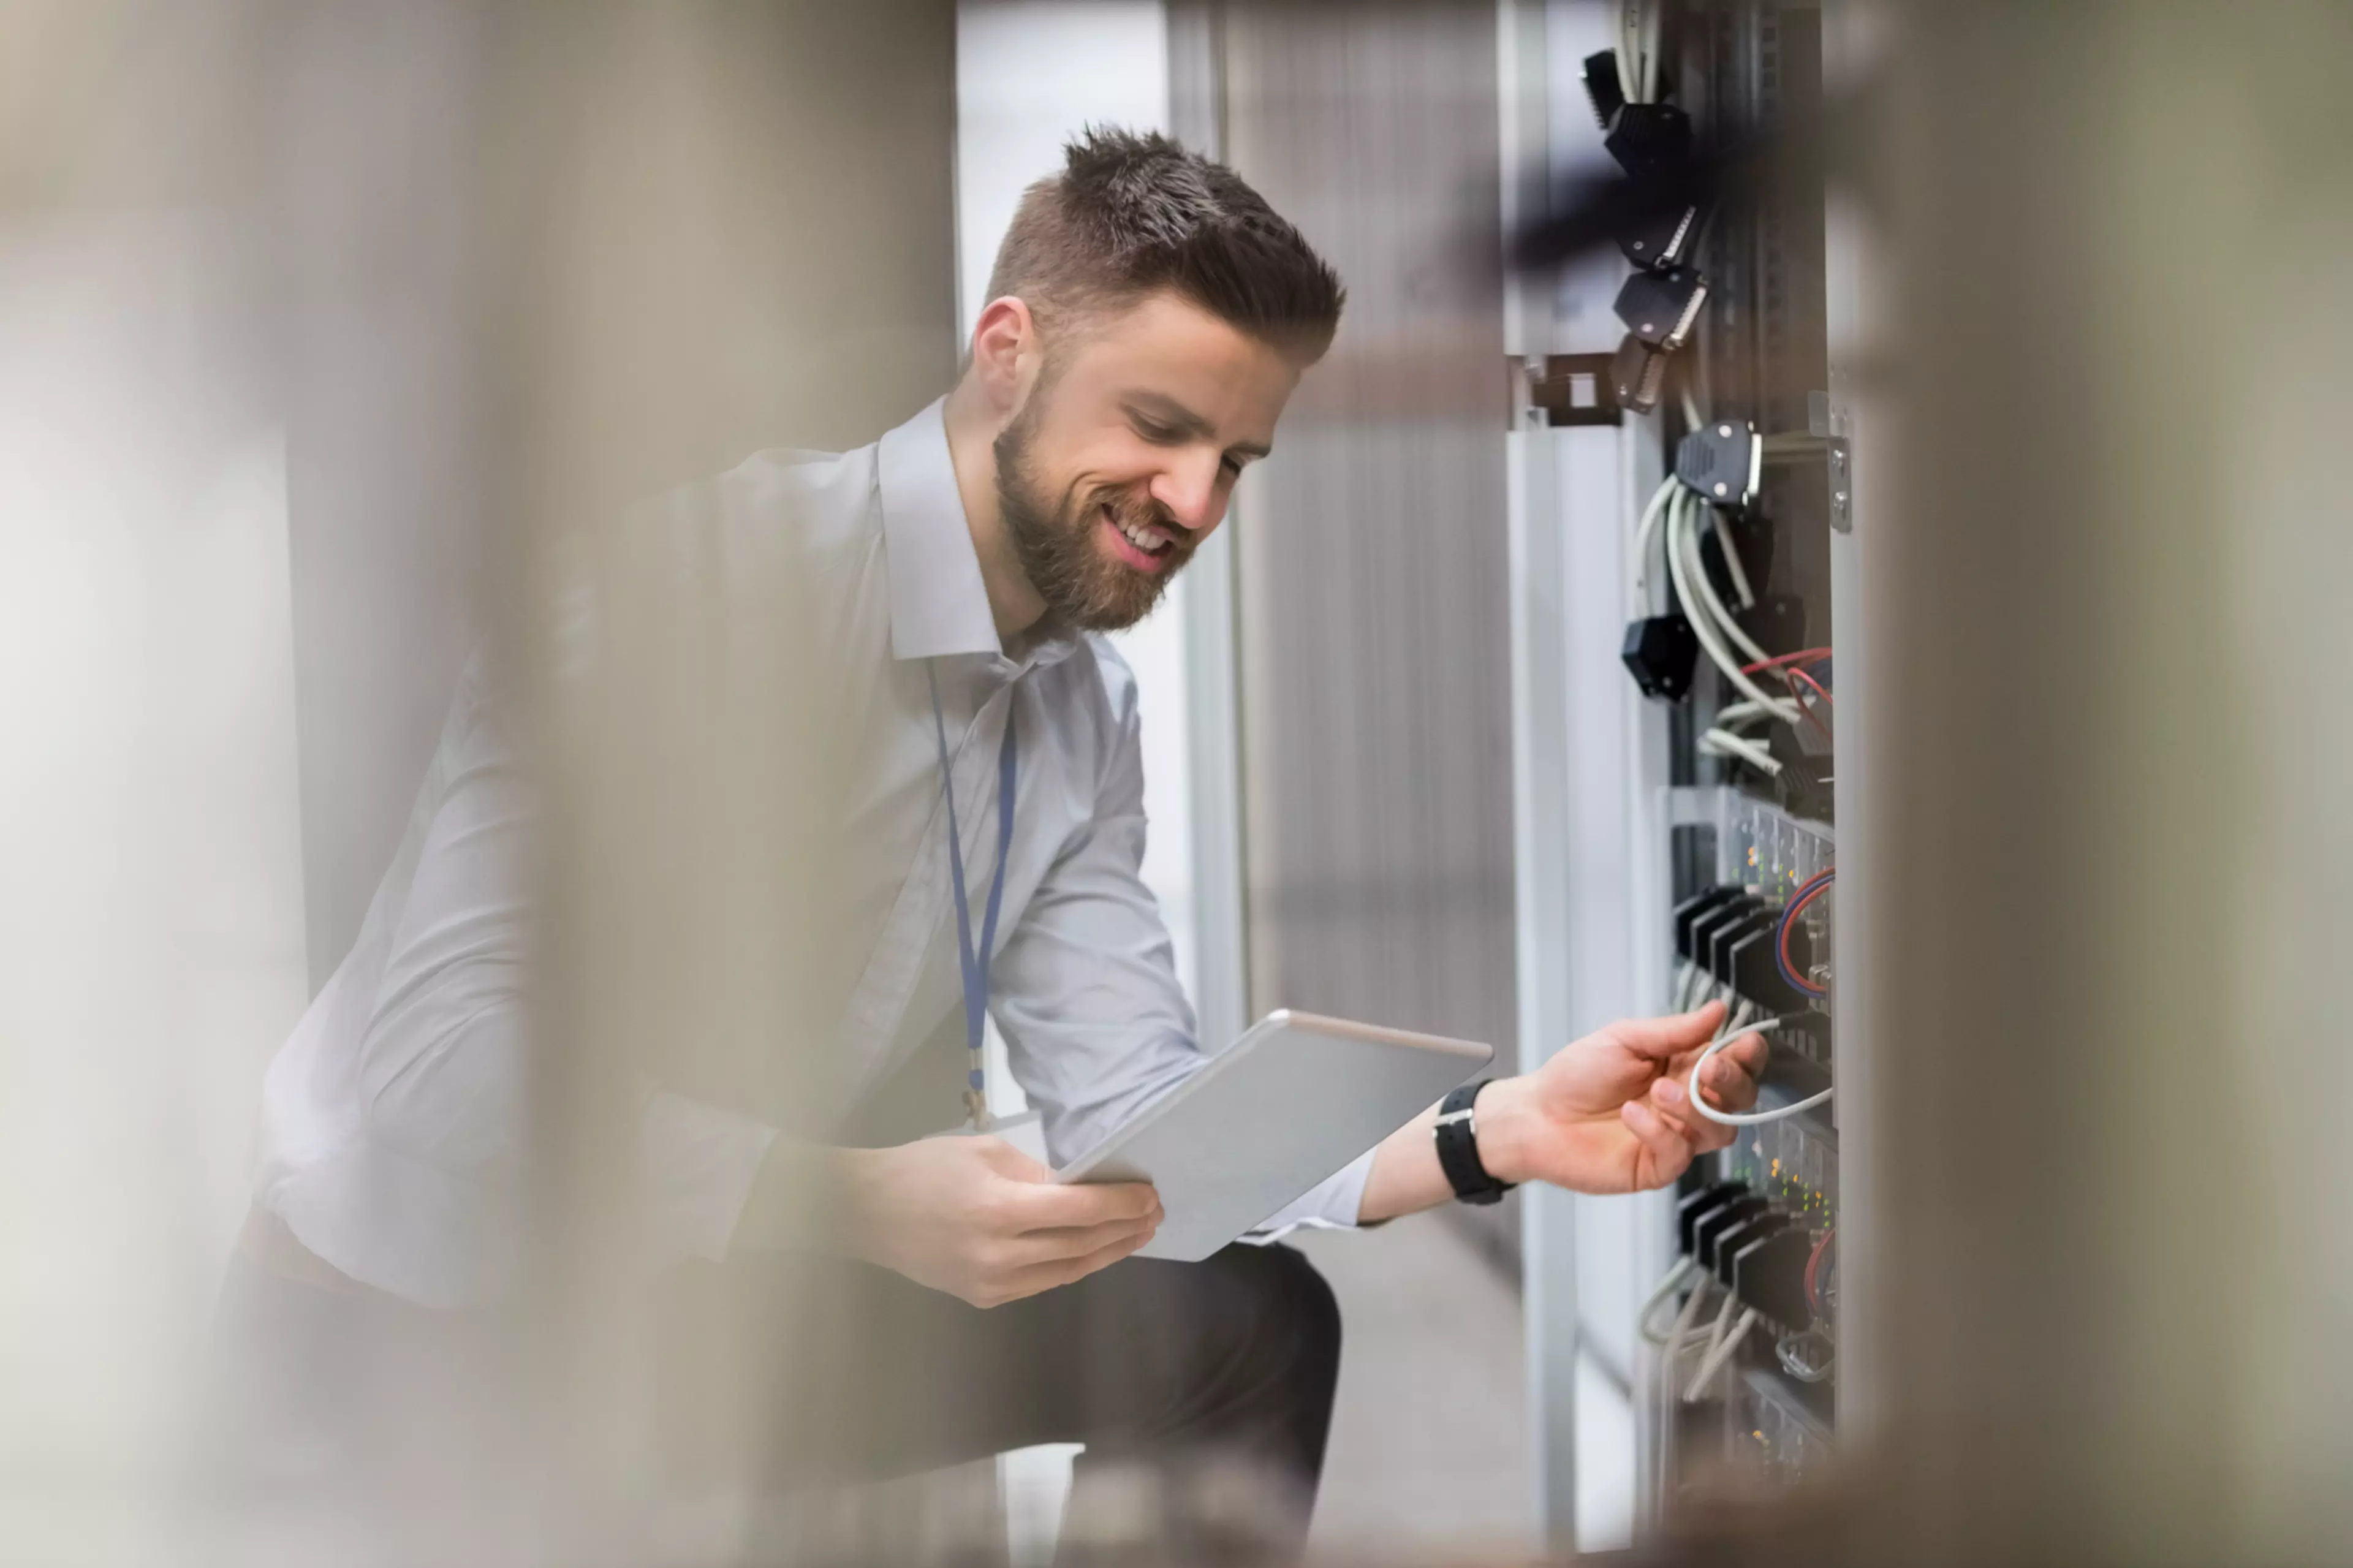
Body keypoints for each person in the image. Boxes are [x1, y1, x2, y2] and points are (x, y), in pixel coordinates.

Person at [229, 128, 1767, 1547]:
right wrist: (847, 1201)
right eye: (1159, 428)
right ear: (1009, 352)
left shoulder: (1078, 712)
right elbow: (437, 1066)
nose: (1191, 502)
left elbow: (1141, 1116)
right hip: (423, 1324)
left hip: (728, 1291)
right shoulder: (693, 590)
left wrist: (1489, 1132)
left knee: (1245, 1324)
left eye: (1234, 461)